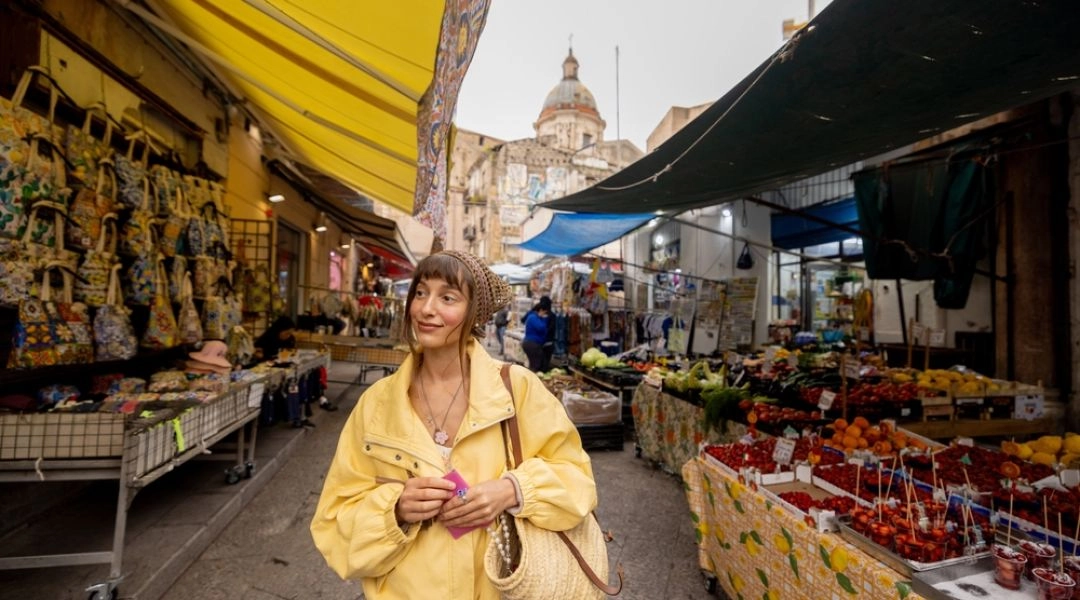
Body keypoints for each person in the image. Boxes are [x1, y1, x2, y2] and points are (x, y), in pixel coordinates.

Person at [310, 250, 596, 599]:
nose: (426, 309)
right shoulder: (377, 404)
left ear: (474, 313)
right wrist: (395, 509)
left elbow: (578, 480)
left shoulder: (517, 390)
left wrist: (512, 490)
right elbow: (333, 522)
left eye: (447, 297)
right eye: (420, 292)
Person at [256, 316, 336, 417]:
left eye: (290, 333)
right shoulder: (266, 339)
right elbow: (259, 357)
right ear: (279, 329)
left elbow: (291, 352)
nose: (288, 336)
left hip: (286, 367)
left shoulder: (290, 339)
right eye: (286, 333)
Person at [520, 297, 550, 372]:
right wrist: (544, 319)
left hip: (531, 343)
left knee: (534, 363)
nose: (545, 314)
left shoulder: (533, 316)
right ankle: (532, 380)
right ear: (540, 310)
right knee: (536, 365)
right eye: (544, 312)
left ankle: (531, 378)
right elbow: (541, 328)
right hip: (532, 344)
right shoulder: (533, 317)